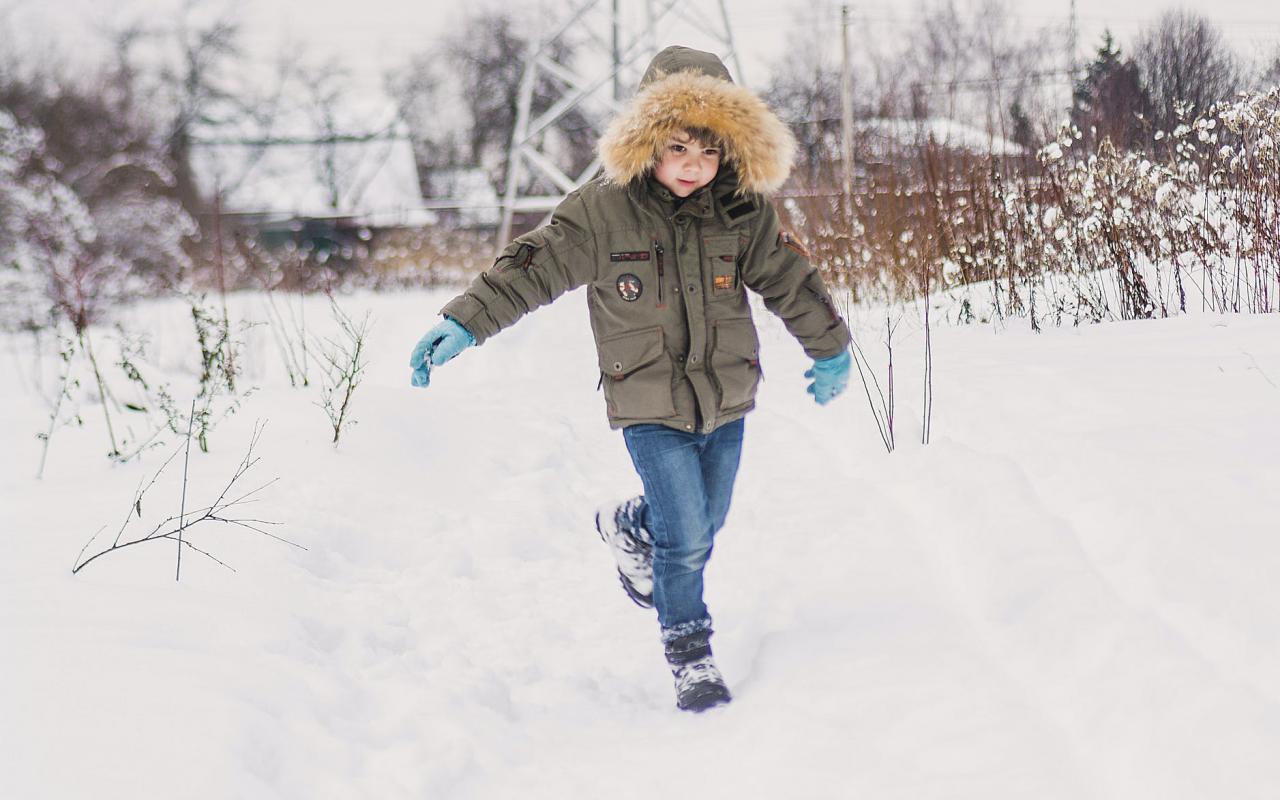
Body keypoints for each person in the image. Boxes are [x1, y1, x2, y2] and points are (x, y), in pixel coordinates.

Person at [409, 46, 853, 712]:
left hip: (726, 396)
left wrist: (830, 348)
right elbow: (533, 266)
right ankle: (690, 654)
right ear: (647, 140)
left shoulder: (742, 211)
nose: (694, 166)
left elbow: (791, 279)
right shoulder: (603, 210)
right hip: (647, 401)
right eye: (678, 149)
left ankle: (630, 524)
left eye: (710, 152)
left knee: (706, 522)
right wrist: (466, 321)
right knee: (687, 535)